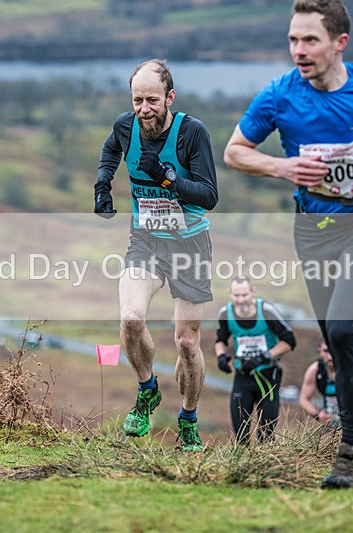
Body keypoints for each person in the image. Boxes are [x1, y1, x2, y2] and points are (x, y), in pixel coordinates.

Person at [223, 0, 353, 488]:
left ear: (340, 42)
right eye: (293, 40)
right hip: (313, 232)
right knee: (339, 340)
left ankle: (349, 453)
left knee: (343, 330)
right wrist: (282, 167)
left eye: (310, 40)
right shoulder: (279, 95)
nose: (299, 50)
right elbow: (234, 151)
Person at [94, 59, 218, 451]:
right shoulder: (126, 125)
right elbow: (111, 147)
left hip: (189, 245)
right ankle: (147, 390)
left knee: (185, 343)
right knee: (131, 318)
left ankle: (188, 419)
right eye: (137, 100)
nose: (144, 108)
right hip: (145, 241)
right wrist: (102, 185)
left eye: (151, 99)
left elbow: (209, 196)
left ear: (169, 97)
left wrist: (167, 178)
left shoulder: (191, 133)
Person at [214, 277, 296, 443]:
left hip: (268, 375)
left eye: (244, 295)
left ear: (253, 291)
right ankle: (243, 465)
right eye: (236, 295)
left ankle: (266, 464)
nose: (241, 300)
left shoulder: (266, 311)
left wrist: (264, 357)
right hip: (243, 375)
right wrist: (221, 357)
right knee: (241, 432)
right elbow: (220, 340)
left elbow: (289, 341)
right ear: (230, 294)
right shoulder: (225, 313)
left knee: (266, 434)